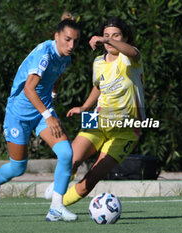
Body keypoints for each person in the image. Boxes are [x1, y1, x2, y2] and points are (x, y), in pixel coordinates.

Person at [0, 16, 80, 222]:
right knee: (18, 167)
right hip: (18, 115)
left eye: (75, 41)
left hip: (41, 113)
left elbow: (57, 75)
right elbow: (29, 89)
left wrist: (52, 99)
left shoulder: (65, 57)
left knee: (66, 153)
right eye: (67, 39)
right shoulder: (44, 55)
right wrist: (49, 116)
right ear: (56, 37)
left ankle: (56, 207)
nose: (71, 45)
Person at [46, 17, 145, 206]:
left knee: (87, 183)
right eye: (106, 35)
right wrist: (84, 107)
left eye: (115, 35)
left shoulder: (131, 58)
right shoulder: (99, 62)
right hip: (97, 120)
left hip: (126, 130)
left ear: (124, 38)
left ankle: (58, 206)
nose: (109, 39)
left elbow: (132, 51)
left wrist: (106, 40)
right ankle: (57, 198)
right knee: (70, 160)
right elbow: (98, 87)